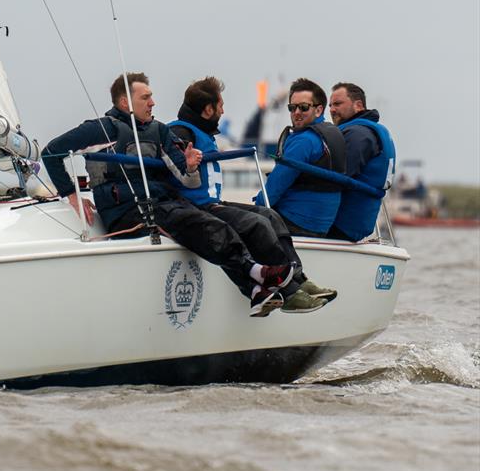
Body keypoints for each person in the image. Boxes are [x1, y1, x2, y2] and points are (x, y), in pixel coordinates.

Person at [42, 72, 303, 317]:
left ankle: (257, 289)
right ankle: (256, 274)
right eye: (145, 98)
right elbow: (51, 152)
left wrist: (189, 165)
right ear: (125, 102)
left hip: (161, 204)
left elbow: (185, 179)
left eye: (151, 96)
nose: (153, 102)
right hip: (127, 212)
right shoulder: (100, 129)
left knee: (216, 223)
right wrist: (71, 195)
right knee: (202, 224)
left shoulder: (158, 131)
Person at [167, 76, 335, 310]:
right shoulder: (181, 132)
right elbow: (171, 169)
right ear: (208, 109)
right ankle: (289, 293)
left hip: (213, 203)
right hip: (197, 208)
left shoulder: (202, 131)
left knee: (269, 215)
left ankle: (298, 278)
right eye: (221, 105)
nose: (224, 110)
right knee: (256, 225)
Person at [254, 78, 346, 237]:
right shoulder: (333, 133)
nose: (296, 113)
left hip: (295, 223)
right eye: (292, 108)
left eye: (303, 108)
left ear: (318, 110)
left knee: (230, 216)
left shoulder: (304, 141)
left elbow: (273, 191)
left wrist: (258, 204)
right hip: (322, 225)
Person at [328, 82, 396, 241]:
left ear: (358, 105)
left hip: (342, 224)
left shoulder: (358, 134)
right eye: (330, 105)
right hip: (359, 222)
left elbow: (338, 176)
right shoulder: (370, 130)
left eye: (337, 104)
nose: (331, 109)